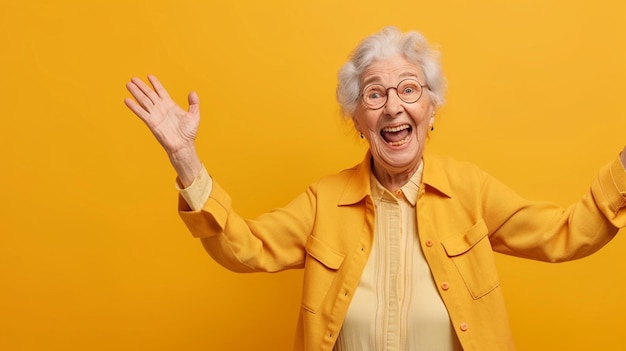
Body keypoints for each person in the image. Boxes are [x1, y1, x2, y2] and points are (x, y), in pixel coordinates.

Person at [124, 26, 626, 351]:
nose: (393, 107)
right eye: (374, 94)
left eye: (409, 90)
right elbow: (246, 248)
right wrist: (185, 158)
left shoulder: (470, 191)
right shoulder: (324, 201)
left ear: (431, 110)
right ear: (358, 119)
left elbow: (565, 234)